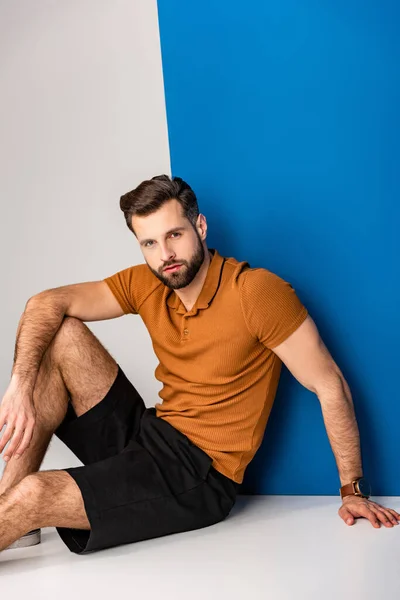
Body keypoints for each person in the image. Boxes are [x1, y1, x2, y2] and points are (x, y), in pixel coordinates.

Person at [0, 175, 398, 555]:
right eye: (150, 243)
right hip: (152, 435)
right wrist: (19, 386)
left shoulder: (255, 292)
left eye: (174, 235)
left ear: (200, 227)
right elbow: (46, 303)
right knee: (64, 333)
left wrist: (352, 491)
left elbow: (331, 385)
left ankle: (16, 513)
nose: (165, 255)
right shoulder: (148, 282)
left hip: (201, 475)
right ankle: (16, 526)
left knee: (34, 494)